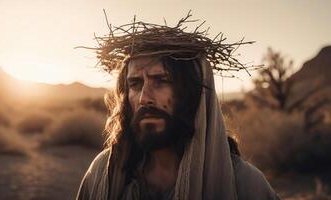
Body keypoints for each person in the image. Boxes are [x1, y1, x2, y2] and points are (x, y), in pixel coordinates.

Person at [76, 14, 280, 200]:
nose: (144, 98)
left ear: (192, 93)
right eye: (135, 84)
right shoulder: (102, 173)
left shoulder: (246, 185)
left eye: (161, 80)